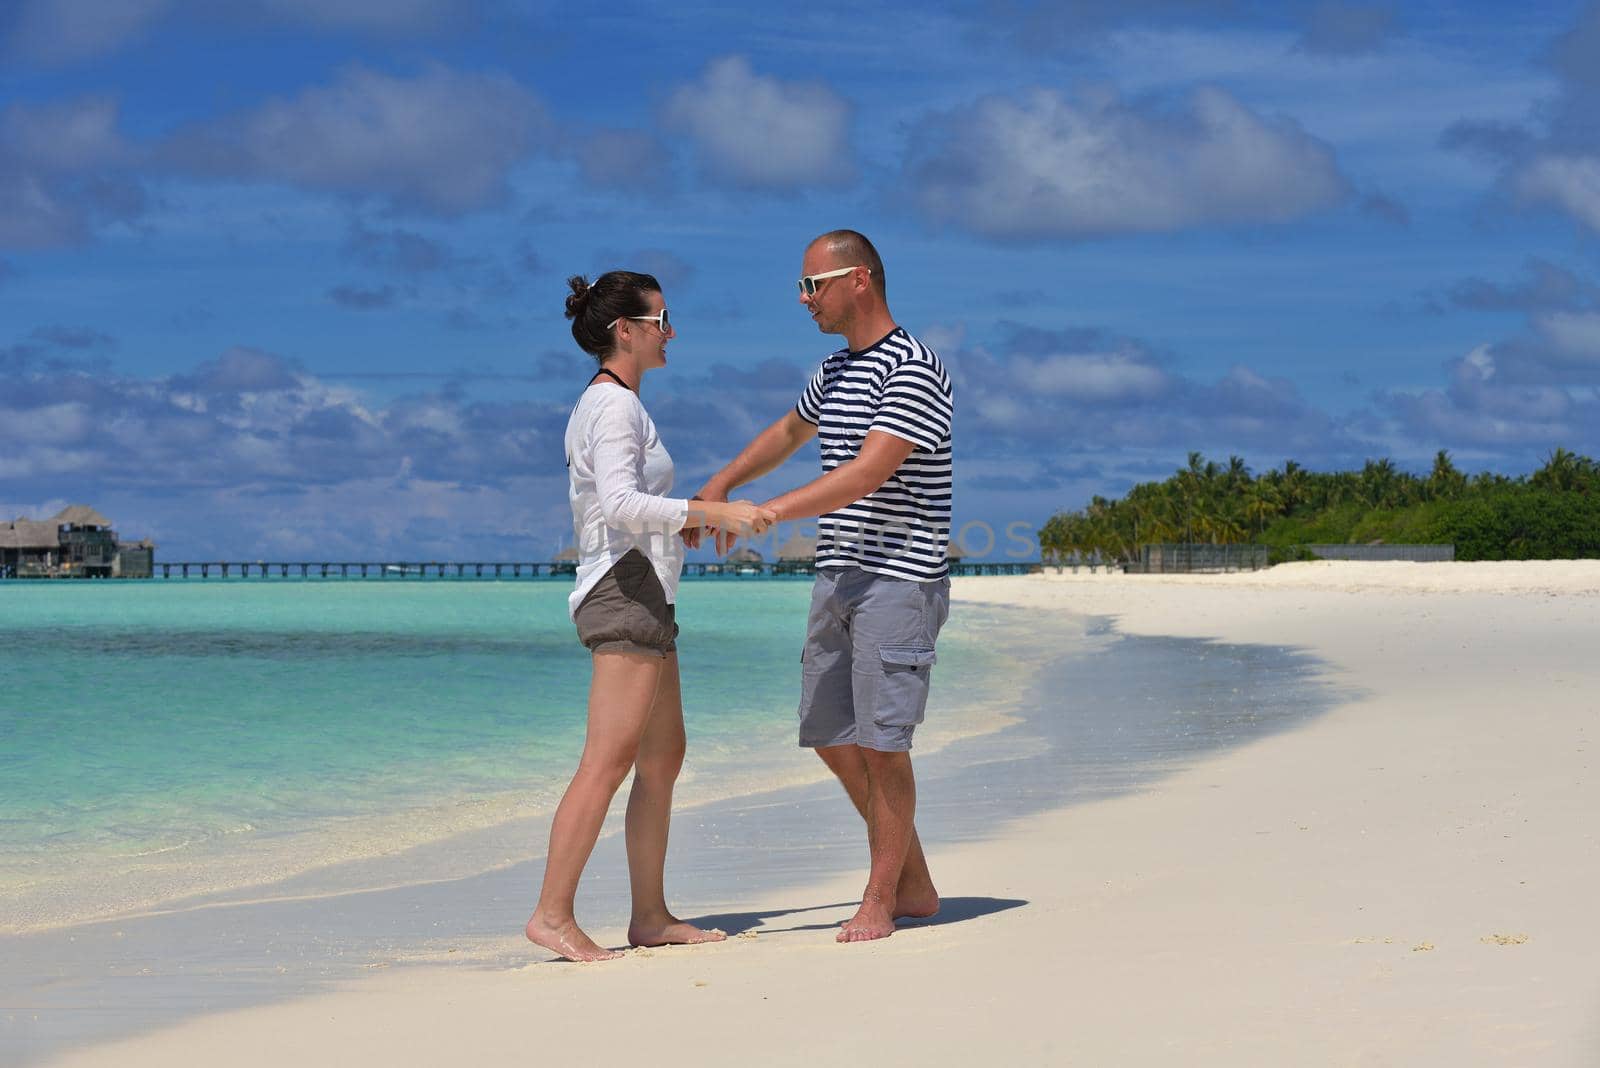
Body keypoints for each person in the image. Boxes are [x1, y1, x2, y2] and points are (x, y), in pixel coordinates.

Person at [688, 230, 954, 942]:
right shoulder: (838, 369)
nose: (804, 301)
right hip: (837, 574)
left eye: (813, 285)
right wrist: (724, 483)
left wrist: (770, 512)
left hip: (899, 578)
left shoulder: (914, 368)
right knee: (834, 734)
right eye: (800, 288)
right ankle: (915, 883)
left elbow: (870, 472)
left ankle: (880, 899)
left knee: (883, 743)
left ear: (859, 280)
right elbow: (789, 430)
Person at [526, 270, 775, 962]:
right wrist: (710, 512)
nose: (671, 332)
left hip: (646, 586)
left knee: (663, 755)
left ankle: (650, 915)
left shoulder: (618, 404)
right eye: (662, 319)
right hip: (623, 589)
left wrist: (680, 528)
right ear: (625, 332)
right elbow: (617, 505)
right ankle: (552, 914)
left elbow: (635, 510)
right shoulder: (613, 408)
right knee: (606, 763)